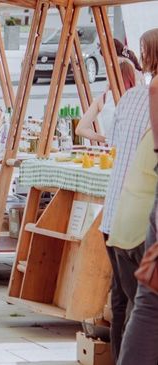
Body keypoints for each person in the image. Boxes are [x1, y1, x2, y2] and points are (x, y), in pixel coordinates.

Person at [119, 27, 158, 365]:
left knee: (143, 305)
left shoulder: (140, 94)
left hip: (129, 218)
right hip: (140, 215)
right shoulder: (152, 91)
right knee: (147, 306)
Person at [75, 59, 139, 143]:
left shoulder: (103, 98)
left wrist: (106, 139)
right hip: (133, 149)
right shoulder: (136, 98)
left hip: (111, 151)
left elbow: (80, 129)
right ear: (131, 77)